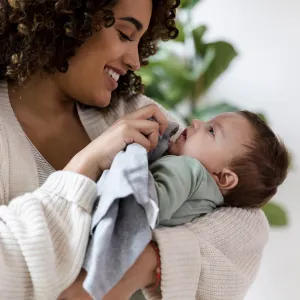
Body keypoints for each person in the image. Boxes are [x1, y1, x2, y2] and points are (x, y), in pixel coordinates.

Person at [0, 0, 270, 300]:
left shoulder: (131, 112)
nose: (135, 61)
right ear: (65, 20)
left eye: (140, 42)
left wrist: (143, 265)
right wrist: (85, 165)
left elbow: (248, 223)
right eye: (125, 34)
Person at [149, 111, 289, 227]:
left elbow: (148, 205)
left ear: (224, 178)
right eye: (206, 122)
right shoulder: (206, 204)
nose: (196, 122)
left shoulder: (190, 170)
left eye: (211, 131)